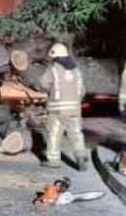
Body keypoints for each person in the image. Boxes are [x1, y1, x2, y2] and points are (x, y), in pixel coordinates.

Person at [38, 43, 88, 171]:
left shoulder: (53, 69)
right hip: (74, 110)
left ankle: (53, 161)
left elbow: (43, 85)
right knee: (76, 134)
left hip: (56, 109)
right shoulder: (76, 71)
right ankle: (81, 156)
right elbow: (82, 91)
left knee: (54, 135)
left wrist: (52, 90)